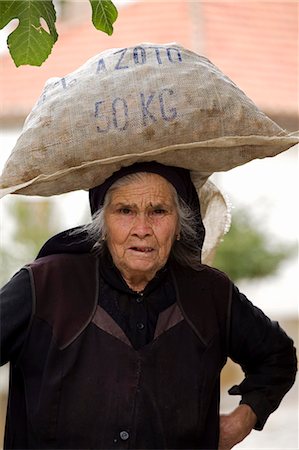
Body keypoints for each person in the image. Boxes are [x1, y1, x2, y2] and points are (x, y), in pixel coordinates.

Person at [0, 161, 297, 450]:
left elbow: (277, 357)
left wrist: (241, 420)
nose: (142, 228)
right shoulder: (44, 285)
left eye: (158, 211)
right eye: (125, 211)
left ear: (179, 225)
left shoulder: (209, 293)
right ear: (102, 224)